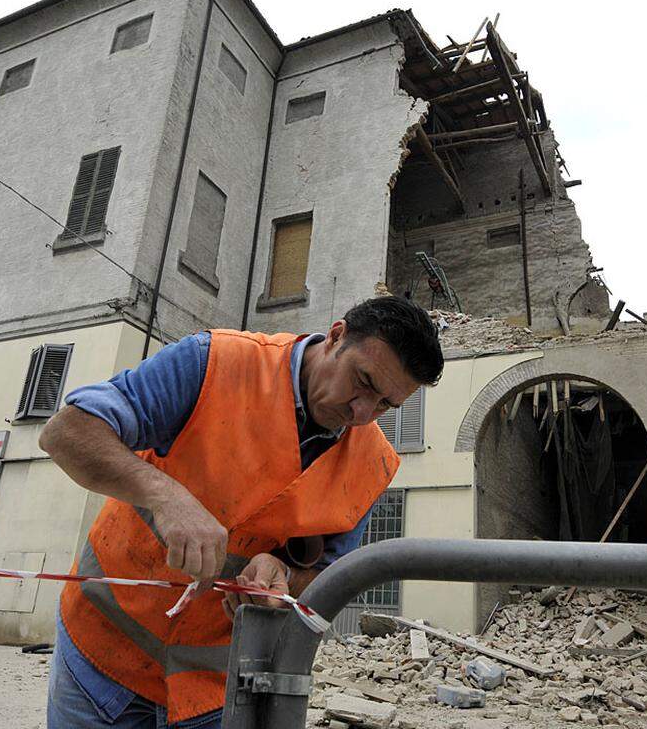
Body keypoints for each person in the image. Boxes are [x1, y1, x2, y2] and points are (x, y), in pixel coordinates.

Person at [39, 296, 444, 727]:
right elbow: (67, 432)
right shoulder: (214, 362)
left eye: (385, 404)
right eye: (362, 381)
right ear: (337, 336)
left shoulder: (373, 465)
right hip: (102, 653)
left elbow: (327, 576)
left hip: (217, 686)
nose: (362, 412)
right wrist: (165, 495)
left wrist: (282, 575)